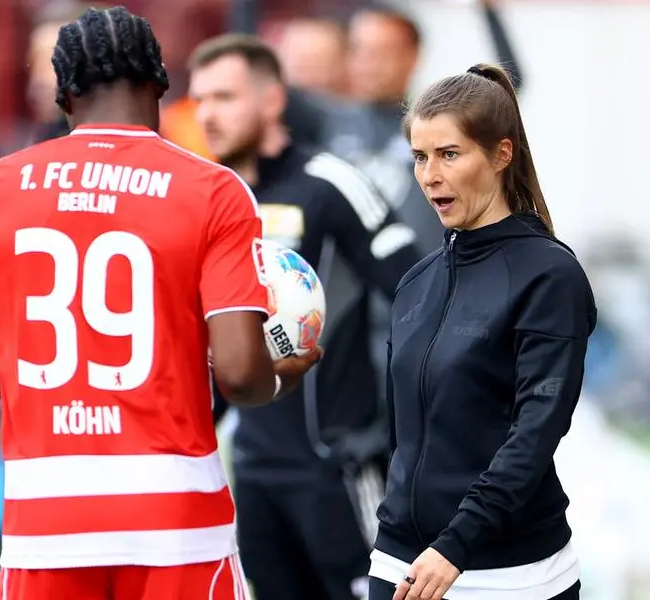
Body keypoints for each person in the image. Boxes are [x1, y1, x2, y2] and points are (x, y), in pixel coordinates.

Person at [0, 7, 320, 600]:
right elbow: (241, 374)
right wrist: (282, 379)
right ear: (161, 86)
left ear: (64, 95)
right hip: (176, 520)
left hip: (44, 518)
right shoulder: (214, 190)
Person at [188, 34, 423, 600]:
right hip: (252, 469)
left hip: (336, 465)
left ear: (272, 100)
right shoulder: (207, 199)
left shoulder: (330, 184)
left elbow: (421, 295)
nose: (207, 115)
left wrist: (406, 425)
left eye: (224, 97)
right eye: (200, 100)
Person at [369, 64, 596, 600]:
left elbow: (535, 432)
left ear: (500, 155)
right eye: (420, 157)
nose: (430, 175)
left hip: (511, 573)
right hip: (401, 562)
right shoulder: (415, 282)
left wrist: (457, 544)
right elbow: (402, 434)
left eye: (449, 154)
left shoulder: (549, 275)